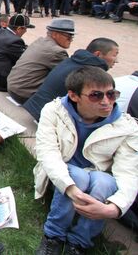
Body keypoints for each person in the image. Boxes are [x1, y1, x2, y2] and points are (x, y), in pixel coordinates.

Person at [34, 66, 138, 255]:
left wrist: (115, 209)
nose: (107, 102)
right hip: (61, 177)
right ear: (74, 96)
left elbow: (129, 172)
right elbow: (48, 155)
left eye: (112, 94)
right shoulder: (53, 111)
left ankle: (80, 242)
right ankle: (53, 236)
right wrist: (72, 189)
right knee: (78, 176)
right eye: (96, 95)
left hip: (97, 181)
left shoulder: (127, 126)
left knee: (106, 182)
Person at [24, 38, 119, 121]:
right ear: (98, 54)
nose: (117, 60)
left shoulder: (73, 60)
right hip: (46, 117)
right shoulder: (91, 74)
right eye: (114, 55)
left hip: (33, 107)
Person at [7, 19, 75, 104]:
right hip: (24, 94)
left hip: (13, 87)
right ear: (55, 34)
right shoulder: (57, 51)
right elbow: (68, 75)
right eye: (68, 36)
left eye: (72, 37)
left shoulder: (40, 41)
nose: (71, 40)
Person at [0, 14, 34, 92]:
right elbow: (23, 61)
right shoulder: (15, 40)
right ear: (19, 28)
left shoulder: (3, 32)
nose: (26, 31)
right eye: (25, 28)